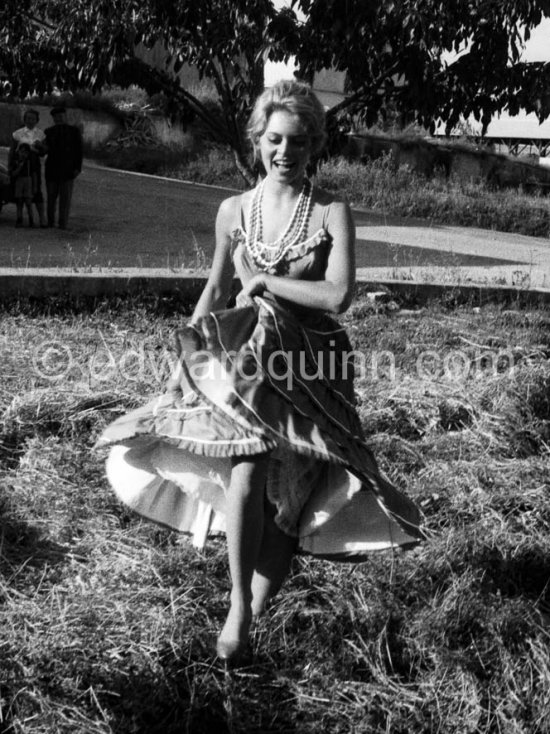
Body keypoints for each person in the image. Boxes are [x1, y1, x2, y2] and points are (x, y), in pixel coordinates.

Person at [97, 80, 423, 665]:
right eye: (275, 139)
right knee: (246, 467)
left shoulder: (330, 212)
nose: (285, 152)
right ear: (258, 139)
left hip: (312, 368)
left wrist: (268, 281)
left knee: (290, 502)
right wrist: (185, 359)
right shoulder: (232, 211)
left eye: (298, 141)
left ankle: (254, 606)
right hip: (246, 361)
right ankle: (239, 609)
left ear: (314, 144)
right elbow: (217, 289)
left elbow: (339, 294)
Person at [44, 105, 83, 229]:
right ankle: (50, 222)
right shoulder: (48, 132)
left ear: (65, 117)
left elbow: (79, 151)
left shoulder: (74, 131)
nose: (58, 119)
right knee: (51, 197)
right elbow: (44, 150)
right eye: (56, 117)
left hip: (68, 170)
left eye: (60, 116)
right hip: (51, 169)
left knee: (65, 199)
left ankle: (63, 223)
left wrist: (78, 168)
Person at [9, 108, 47, 227]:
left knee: (36, 189)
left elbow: (43, 152)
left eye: (33, 119)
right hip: (20, 164)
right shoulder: (17, 133)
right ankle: (20, 218)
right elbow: (12, 151)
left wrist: (41, 146)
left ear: (37, 120)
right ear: (24, 119)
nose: (30, 121)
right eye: (28, 118)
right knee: (20, 190)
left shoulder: (41, 134)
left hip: (34, 165)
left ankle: (42, 219)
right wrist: (11, 166)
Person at [9, 143, 38, 227]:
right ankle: (19, 219)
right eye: (22, 152)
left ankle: (31, 220)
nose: (23, 154)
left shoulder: (29, 162)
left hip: (28, 181)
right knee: (19, 202)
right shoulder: (15, 162)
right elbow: (13, 174)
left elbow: (34, 174)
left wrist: (35, 186)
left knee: (28, 201)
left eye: (26, 152)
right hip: (19, 181)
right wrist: (19, 167)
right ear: (18, 152)